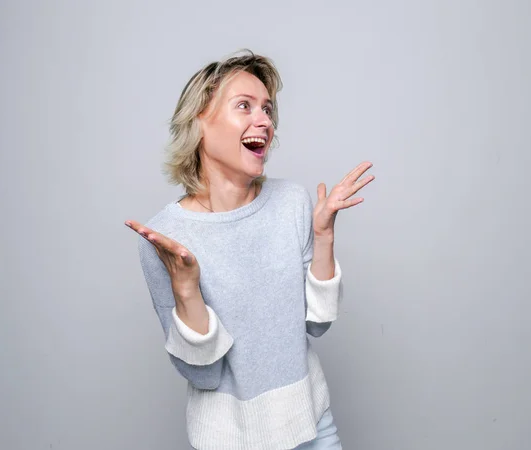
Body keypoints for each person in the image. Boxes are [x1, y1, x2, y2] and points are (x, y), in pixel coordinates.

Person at [125, 49, 374, 450]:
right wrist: (186, 288)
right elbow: (204, 376)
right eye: (244, 106)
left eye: (268, 109)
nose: (265, 121)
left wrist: (324, 237)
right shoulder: (165, 237)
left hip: (312, 427)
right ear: (200, 121)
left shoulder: (292, 201)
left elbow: (317, 325)